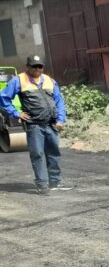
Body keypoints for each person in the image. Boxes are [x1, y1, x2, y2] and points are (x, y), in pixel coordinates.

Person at [0, 55, 70, 195]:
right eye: (34, 66)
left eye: (40, 66)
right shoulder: (19, 80)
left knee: (54, 153)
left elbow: (59, 102)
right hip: (34, 125)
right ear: (28, 67)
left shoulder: (50, 81)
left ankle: (55, 182)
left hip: (51, 124)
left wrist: (60, 120)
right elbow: (3, 98)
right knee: (37, 154)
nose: (37, 69)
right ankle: (42, 184)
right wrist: (16, 113)